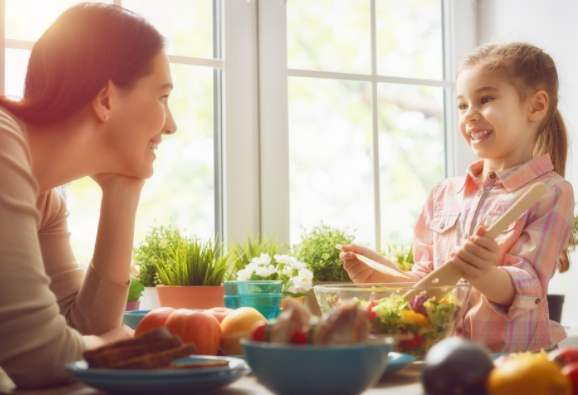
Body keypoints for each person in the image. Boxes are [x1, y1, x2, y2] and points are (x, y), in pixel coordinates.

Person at [340, 42, 574, 353]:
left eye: (485, 99)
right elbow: (432, 286)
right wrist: (384, 276)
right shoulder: (443, 193)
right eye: (462, 105)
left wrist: (484, 274)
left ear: (536, 105)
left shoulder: (551, 191)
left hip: (514, 367)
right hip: (444, 359)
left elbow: (527, 286)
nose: (469, 115)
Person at [0, 3, 176, 388]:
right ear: (106, 99)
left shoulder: (44, 200)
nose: (172, 125)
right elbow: (44, 356)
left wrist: (122, 193)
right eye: (162, 97)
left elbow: (79, 326)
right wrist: (115, 343)